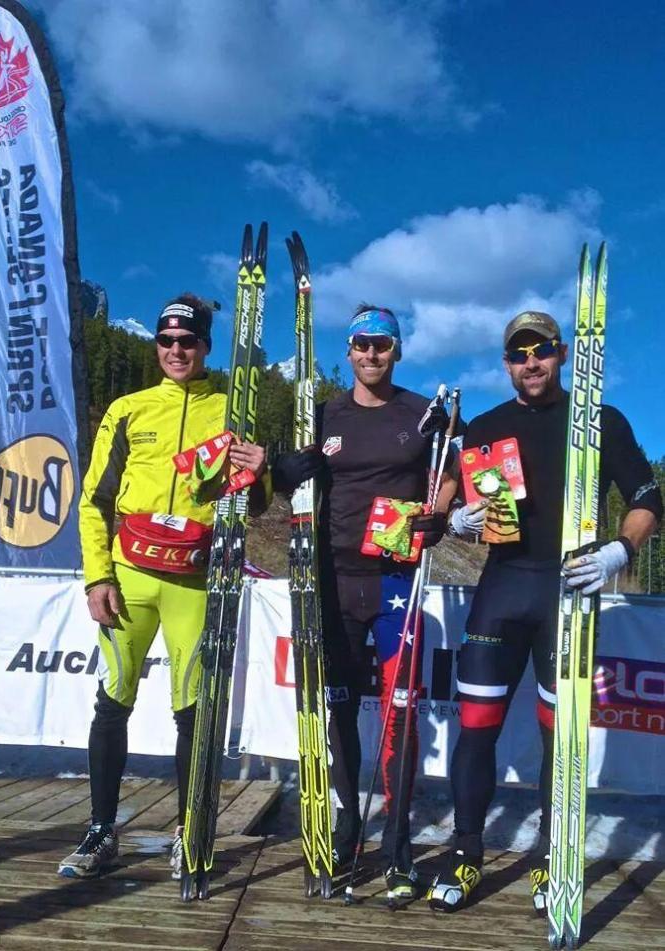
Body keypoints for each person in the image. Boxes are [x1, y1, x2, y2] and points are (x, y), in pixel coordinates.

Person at [427, 310, 662, 914]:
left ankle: (550, 854)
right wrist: (457, 522)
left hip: (569, 592)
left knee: (560, 735)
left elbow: (648, 498)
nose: (531, 362)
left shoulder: (599, 421)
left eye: (542, 350)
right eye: (519, 354)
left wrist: (620, 549)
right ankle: (466, 851)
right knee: (476, 727)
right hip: (503, 589)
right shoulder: (486, 427)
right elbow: (448, 502)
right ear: (506, 364)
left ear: (561, 354)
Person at [58, 293, 269, 879]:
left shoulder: (231, 410)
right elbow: (95, 501)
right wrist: (97, 576)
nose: (176, 350)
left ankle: (189, 829)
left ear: (205, 347)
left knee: (192, 709)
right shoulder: (128, 409)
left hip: (194, 580)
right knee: (113, 699)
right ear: (157, 345)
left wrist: (259, 471)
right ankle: (101, 832)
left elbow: (255, 503)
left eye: (188, 341)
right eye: (166, 340)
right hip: (130, 575)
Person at [273, 305, 454, 901]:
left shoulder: (419, 413)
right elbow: (287, 479)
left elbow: (451, 470)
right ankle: (347, 827)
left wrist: (438, 515)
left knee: (401, 714)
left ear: (396, 351)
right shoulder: (323, 414)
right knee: (340, 709)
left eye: (382, 344)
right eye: (361, 344)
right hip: (332, 579)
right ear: (348, 351)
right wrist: (283, 471)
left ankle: (398, 846)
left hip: (396, 580)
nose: (371, 353)